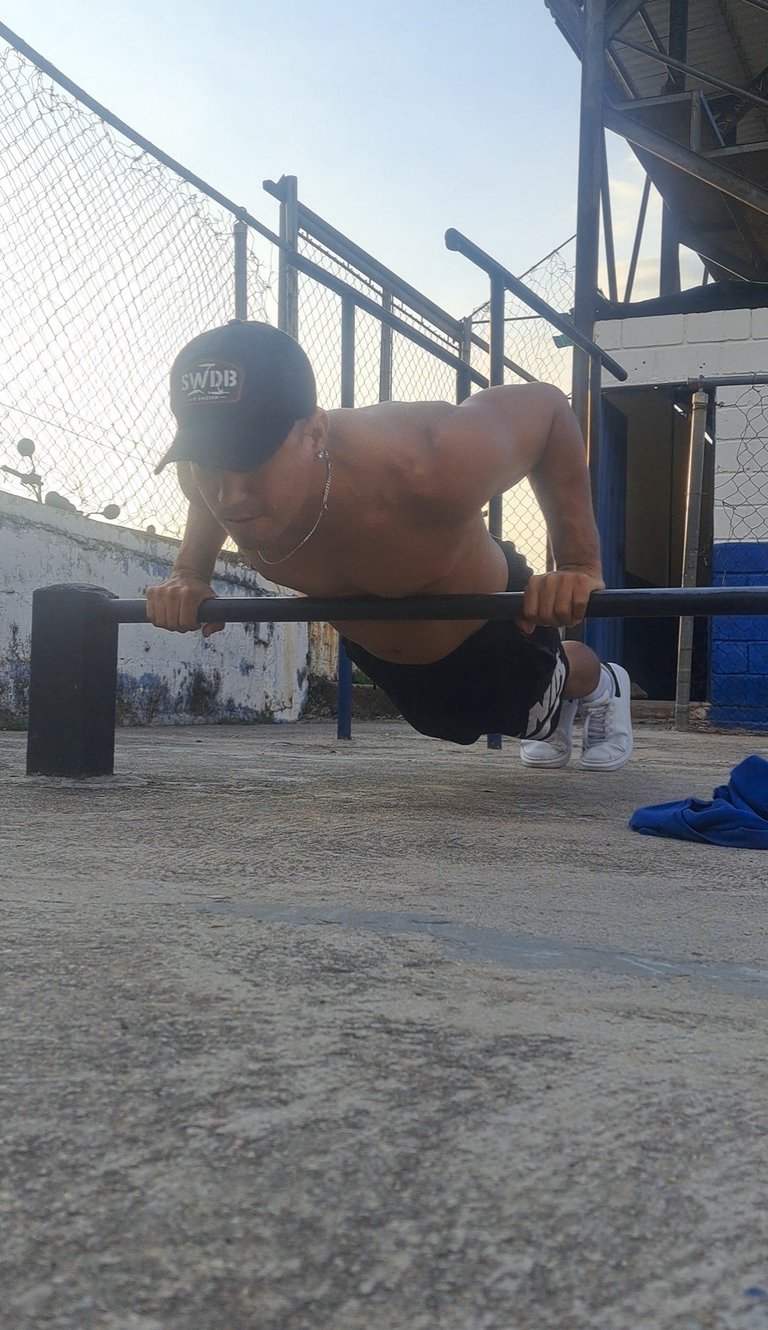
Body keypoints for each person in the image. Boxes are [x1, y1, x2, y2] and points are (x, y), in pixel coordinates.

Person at [146, 320, 633, 770]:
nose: (228, 496)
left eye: (249, 460)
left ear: (314, 433)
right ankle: (550, 715)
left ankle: (604, 685)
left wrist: (578, 564)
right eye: (207, 460)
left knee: (532, 709)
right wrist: (190, 573)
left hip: (492, 630)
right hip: (385, 658)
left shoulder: (428, 460)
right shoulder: (200, 480)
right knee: (449, 723)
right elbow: (207, 496)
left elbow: (548, 409)